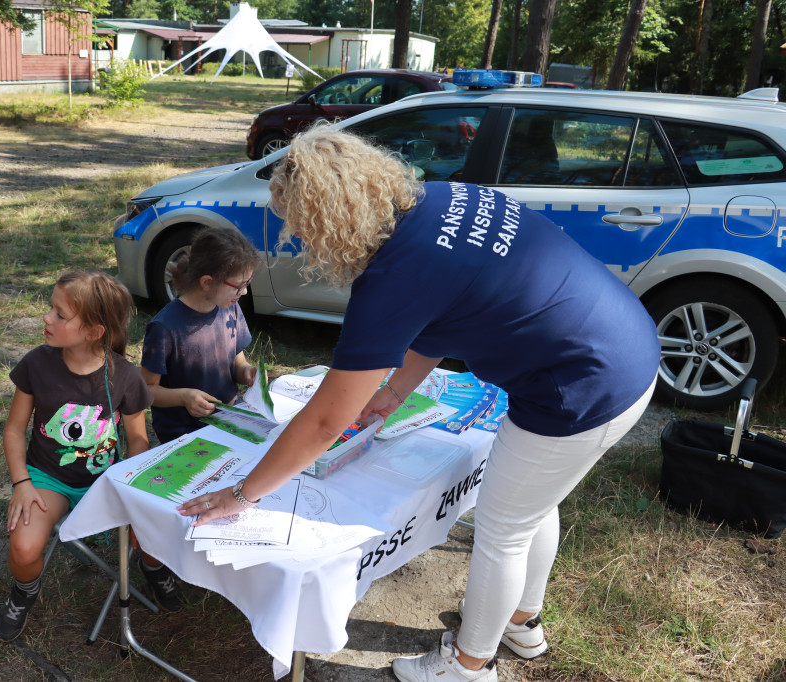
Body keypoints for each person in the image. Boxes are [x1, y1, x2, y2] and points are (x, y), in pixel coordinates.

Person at [177, 125, 660, 682]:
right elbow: (445, 308)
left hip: (583, 387)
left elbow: (328, 417)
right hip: (627, 346)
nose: (295, 235)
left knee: (503, 527)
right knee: (531, 508)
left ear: (325, 219)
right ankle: (522, 623)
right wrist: (394, 391)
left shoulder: (391, 277)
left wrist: (243, 492)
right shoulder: (444, 197)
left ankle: (468, 665)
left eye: (296, 222)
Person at [0, 272, 155, 641]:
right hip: (49, 478)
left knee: (154, 533)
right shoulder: (37, 364)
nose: (47, 318)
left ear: (94, 331)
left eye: (60, 314)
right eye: (50, 308)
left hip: (109, 481)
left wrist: (131, 486)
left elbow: (137, 438)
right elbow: (15, 429)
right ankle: (25, 591)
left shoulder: (126, 376)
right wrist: (21, 483)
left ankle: (154, 570)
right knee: (23, 545)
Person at [140, 225, 260, 444]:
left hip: (231, 420)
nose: (244, 292)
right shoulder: (164, 328)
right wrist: (184, 397)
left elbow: (236, 361)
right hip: (185, 434)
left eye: (248, 283)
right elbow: (147, 390)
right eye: (239, 285)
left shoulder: (229, 307)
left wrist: (247, 373)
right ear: (207, 282)